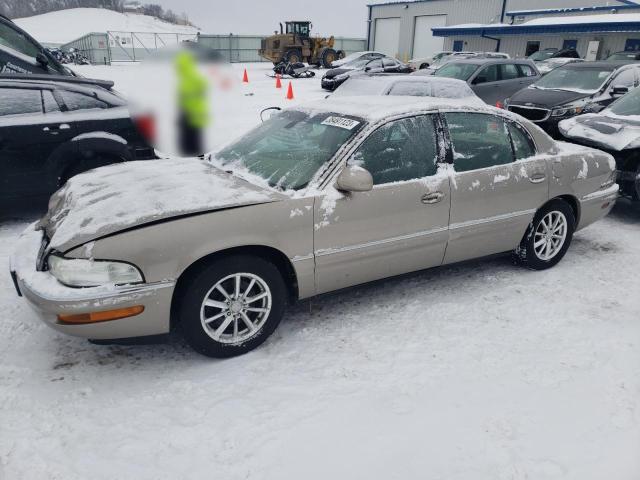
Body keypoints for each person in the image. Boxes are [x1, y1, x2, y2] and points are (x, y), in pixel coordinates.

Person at [175, 50, 209, 156]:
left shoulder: (190, 80)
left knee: (190, 146)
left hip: (191, 116)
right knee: (194, 145)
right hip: (193, 116)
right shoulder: (191, 79)